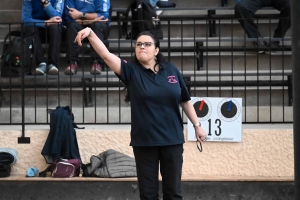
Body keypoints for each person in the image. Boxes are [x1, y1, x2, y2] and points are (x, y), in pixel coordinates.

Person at [74, 28, 207, 199]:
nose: (142, 47)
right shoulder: (131, 71)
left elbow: (185, 100)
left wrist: (197, 126)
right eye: (139, 44)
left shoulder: (171, 70)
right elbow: (106, 55)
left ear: (156, 51)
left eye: (147, 44)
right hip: (145, 142)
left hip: (172, 140)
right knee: (148, 194)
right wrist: (91, 34)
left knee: (173, 193)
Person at [63, 0, 110, 75]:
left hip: (98, 25)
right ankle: (72, 62)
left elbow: (103, 16)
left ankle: (96, 62)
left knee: (97, 25)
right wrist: (91, 20)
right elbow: (70, 16)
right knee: (72, 26)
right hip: (78, 23)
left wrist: (80, 15)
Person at [22, 0, 64, 75]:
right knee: (30, 29)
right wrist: (46, 23)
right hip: (38, 27)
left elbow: (58, 17)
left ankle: (53, 64)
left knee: (55, 27)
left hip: (53, 29)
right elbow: (25, 20)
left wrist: (45, 3)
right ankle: (41, 63)